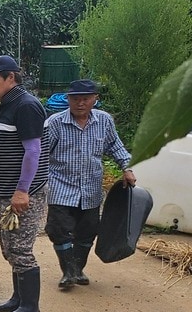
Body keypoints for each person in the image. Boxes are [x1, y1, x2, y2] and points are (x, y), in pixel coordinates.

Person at [0, 55, 48, 312]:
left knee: (20, 248)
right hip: (7, 192)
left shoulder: (26, 106)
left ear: (10, 77)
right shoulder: (9, 104)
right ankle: (18, 299)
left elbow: (33, 151)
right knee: (9, 247)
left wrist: (22, 191)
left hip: (23, 193)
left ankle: (30, 308)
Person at [43, 79, 134, 290]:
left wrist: (127, 168)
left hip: (91, 189)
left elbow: (116, 146)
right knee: (58, 229)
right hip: (60, 186)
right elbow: (40, 153)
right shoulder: (55, 123)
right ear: (68, 99)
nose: (80, 103)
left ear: (95, 99)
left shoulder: (104, 121)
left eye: (85, 99)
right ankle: (68, 272)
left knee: (88, 231)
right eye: (75, 99)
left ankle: (77, 269)